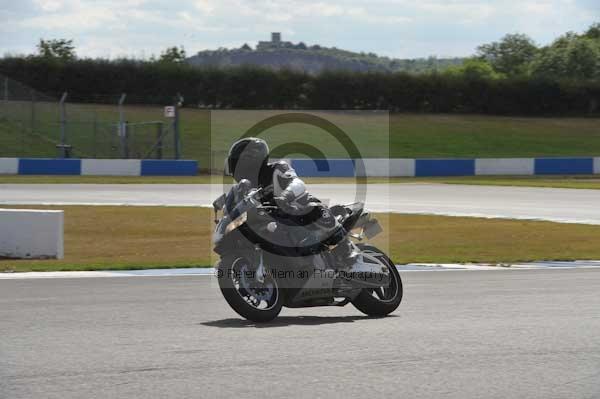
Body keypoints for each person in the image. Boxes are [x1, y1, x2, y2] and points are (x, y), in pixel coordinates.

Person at [225, 137, 357, 266]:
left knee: (314, 208)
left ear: (250, 161)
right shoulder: (242, 187)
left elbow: (297, 183)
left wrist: (284, 196)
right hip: (271, 220)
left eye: (237, 163)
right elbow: (234, 206)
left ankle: (345, 249)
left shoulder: (277, 169)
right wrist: (225, 214)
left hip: (297, 209)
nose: (234, 168)